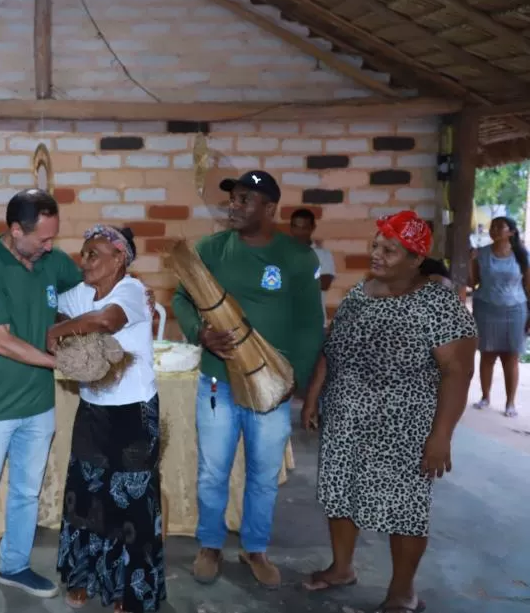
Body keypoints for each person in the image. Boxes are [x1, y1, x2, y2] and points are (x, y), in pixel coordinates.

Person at [300, 211, 477, 613]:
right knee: (340, 494)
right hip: (346, 416)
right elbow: (334, 348)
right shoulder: (361, 293)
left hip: (404, 426)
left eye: (389, 250)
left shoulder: (438, 304)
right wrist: (314, 397)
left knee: (405, 508)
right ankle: (342, 568)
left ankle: (402, 592)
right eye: (376, 245)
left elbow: (458, 371)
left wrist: (441, 436)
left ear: (416, 259)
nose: (376, 254)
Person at [172, 170, 324, 589]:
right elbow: (181, 296)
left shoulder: (296, 258)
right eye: (232, 200)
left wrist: (297, 379)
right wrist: (198, 332)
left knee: (263, 473)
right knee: (212, 471)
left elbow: (311, 324)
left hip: (270, 390)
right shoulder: (211, 249)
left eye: (244, 200)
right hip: (218, 384)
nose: (234, 207)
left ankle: (255, 548)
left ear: (270, 208)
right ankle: (209, 545)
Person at [0, 189, 82, 613]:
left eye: (54, 238)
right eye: (43, 239)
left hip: (38, 406)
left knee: (27, 493)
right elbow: (1, 341)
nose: (50, 246)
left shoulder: (51, 261)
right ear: (15, 230)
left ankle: (15, 565)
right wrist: (59, 363)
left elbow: (86, 286)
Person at [48, 225, 166, 613]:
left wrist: (62, 329)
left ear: (120, 259)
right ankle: (83, 577)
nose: (85, 261)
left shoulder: (129, 290)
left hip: (134, 413)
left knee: (129, 501)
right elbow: (58, 304)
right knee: (85, 495)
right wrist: (59, 316)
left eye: (94, 253)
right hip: (93, 410)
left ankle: (126, 590)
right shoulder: (81, 291)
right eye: (83, 254)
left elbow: (106, 321)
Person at [470, 216, 530, 418]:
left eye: (499, 227)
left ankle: (510, 403)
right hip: (486, 308)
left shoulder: (522, 255)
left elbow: (529, 287)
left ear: (511, 232)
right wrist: (471, 261)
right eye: (492, 226)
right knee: (487, 355)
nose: (494, 230)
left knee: (511, 357)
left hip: (515, 310)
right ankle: (485, 397)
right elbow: (473, 282)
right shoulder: (482, 253)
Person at [289, 208, 335, 322]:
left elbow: (325, 283)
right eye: (296, 227)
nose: (299, 232)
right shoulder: (281, 253)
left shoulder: (324, 255)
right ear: (291, 227)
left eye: (304, 228)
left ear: (312, 228)